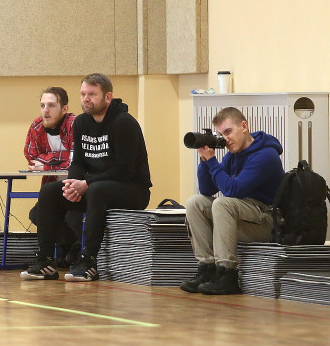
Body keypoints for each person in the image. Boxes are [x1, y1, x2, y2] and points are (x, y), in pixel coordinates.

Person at [21, 73, 152, 282]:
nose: (86, 99)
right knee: (49, 192)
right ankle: (45, 260)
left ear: (107, 97)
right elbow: (79, 162)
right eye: (83, 94)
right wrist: (72, 184)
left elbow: (124, 170)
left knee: (96, 190)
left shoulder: (124, 123)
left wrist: (86, 183)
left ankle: (89, 261)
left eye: (92, 94)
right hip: (96, 187)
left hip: (132, 189)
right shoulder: (81, 122)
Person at [180, 107, 284, 295]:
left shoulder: (266, 155)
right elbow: (207, 190)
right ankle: (207, 269)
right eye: (220, 134)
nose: (225, 139)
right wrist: (205, 161)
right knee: (195, 202)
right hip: (244, 215)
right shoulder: (233, 155)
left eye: (228, 132)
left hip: (267, 220)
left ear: (244, 126)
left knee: (222, 203)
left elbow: (233, 190)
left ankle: (227, 275)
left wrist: (213, 162)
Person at [24, 86, 82, 265]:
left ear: (64, 109)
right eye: (42, 105)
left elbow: (75, 160)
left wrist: (47, 163)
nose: (45, 110)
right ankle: (69, 245)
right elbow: (31, 157)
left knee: (73, 218)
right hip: (52, 189)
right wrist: (59, 159)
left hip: (76, 189)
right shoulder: (37, 125)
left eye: (51, 105)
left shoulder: (75, 124)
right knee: (36, 214)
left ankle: (75, 248)